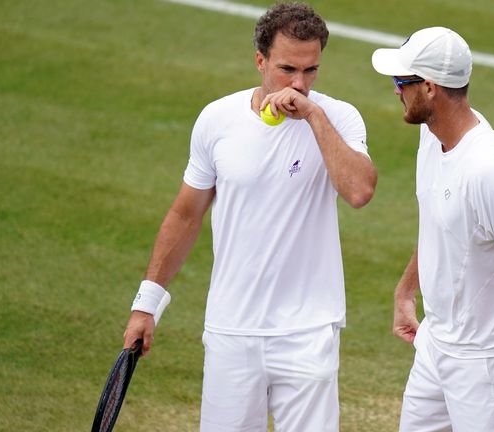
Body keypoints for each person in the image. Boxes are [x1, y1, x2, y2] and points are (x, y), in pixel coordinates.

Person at [122, 3, 377, 431]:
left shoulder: (339, 117)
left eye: (311, 70)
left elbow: (359, 191)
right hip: (231, 330)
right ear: (259, 61)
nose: (299, 83)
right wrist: (146, 306)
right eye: (287, 69)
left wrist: (313, 115)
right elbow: (185, 216)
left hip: (308, 331)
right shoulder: (216, 120)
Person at [371, 27, 494, 432]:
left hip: (487, 364)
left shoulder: (489, 171)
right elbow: (442, 225)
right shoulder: (430, 135)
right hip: (436, 346)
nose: (396, 90)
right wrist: (407, 288)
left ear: (431, 88)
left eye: (402, 82)